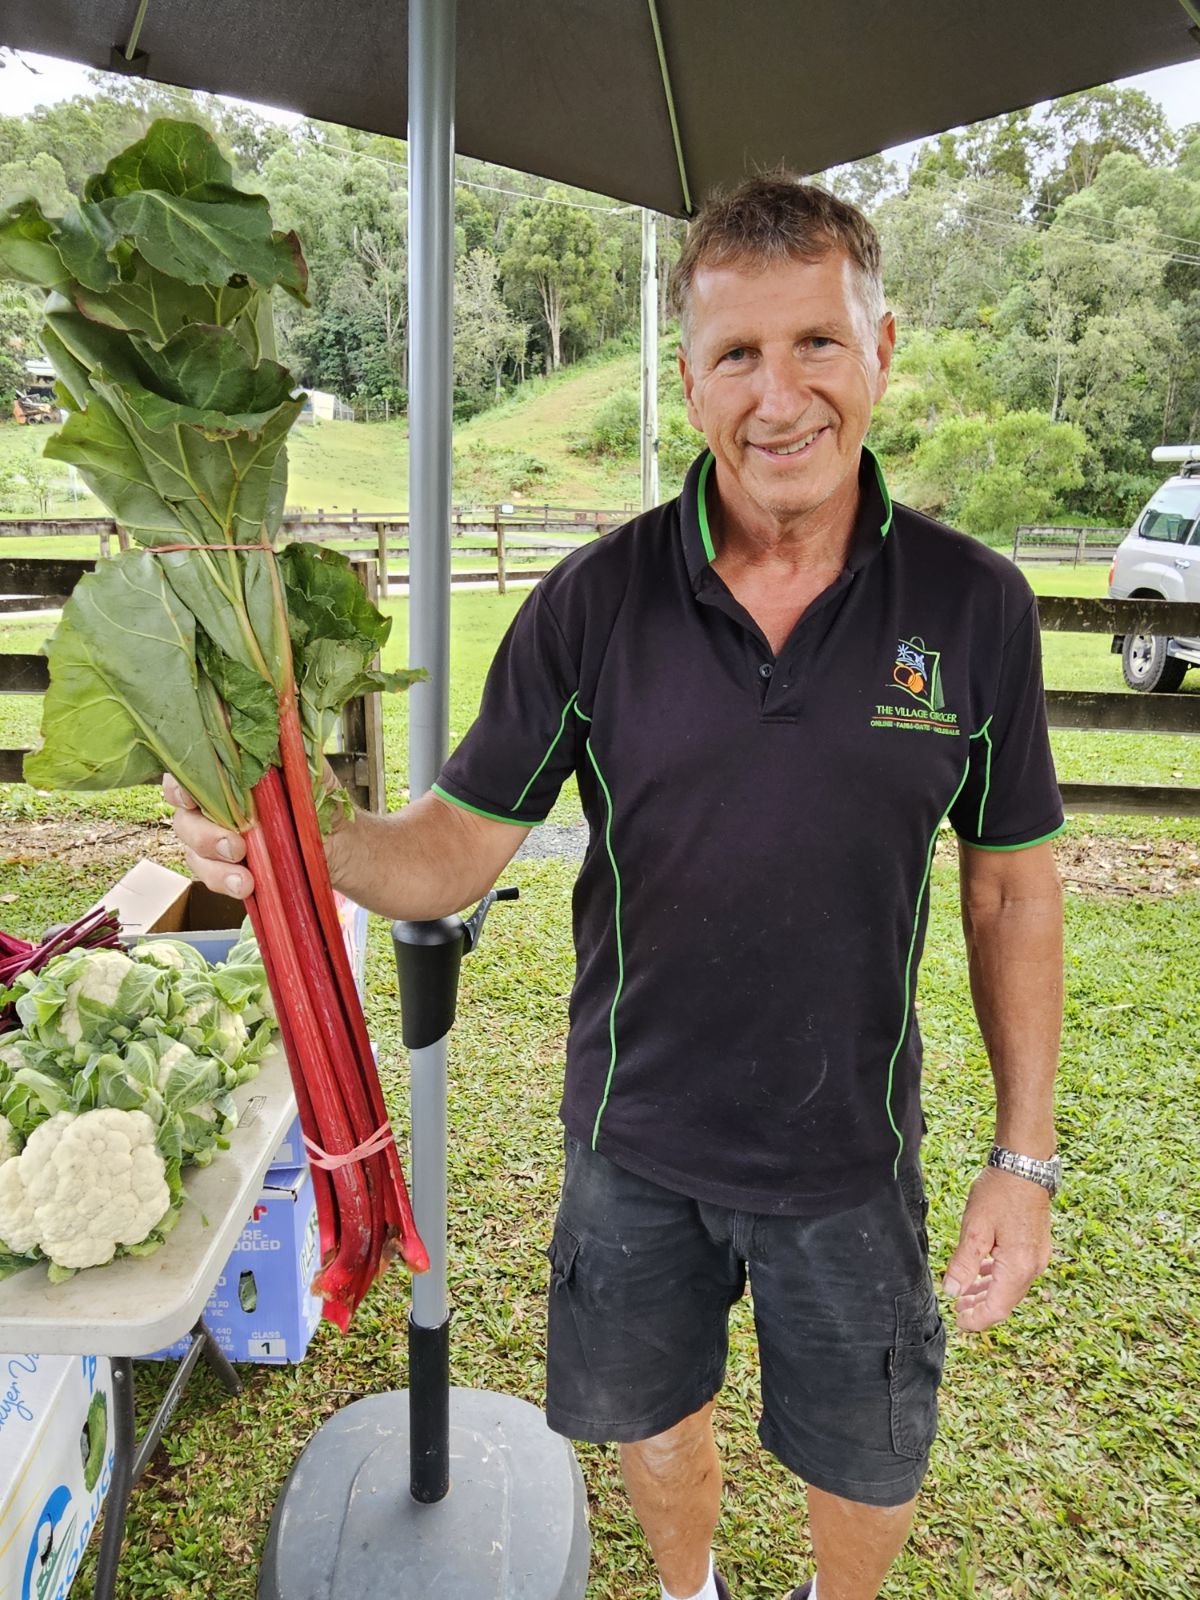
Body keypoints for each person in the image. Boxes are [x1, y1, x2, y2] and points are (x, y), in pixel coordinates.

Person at [169, 176, 1064, 1600]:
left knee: (869, 1458)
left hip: (850, 1151)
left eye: (817, 344)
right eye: (736, 356)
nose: (781, 396)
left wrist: (1022, 1160)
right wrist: (297, 841)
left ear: (881, 348)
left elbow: (1013, 890)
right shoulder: (594, 602)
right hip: (631, 1141)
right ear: (692, 383)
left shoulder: (973, 607)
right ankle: (689, 1590)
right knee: (654, 1429)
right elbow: (452, 850)